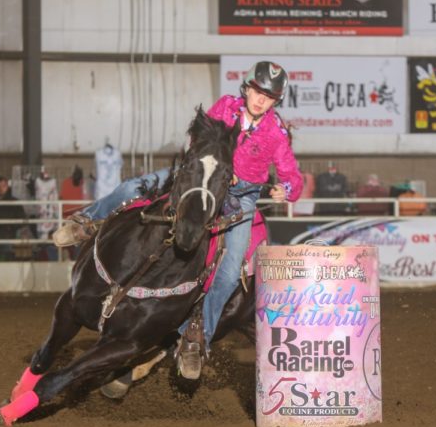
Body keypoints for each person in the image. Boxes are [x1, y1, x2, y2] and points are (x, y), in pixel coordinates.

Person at [53, 60, 303, 378]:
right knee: (131, 187)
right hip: (197, 180)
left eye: (267, 97)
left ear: (274, 102)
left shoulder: (275, 132)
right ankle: (87, 221)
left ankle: (195, 339)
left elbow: (291, 173)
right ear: (247, 88)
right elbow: (197, 136)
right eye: (256, 91)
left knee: (228, 274)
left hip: (239, 200)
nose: (259, 100)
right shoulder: (225, 107)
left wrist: (288, 189)